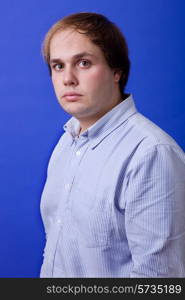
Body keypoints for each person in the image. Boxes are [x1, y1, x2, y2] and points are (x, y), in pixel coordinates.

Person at [39, 12, 185, 278]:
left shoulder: (151, 153)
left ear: (116, 71)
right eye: (58, 66)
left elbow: (157, 281)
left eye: (83, 63)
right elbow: (56, 251)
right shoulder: (66, 142)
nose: (67, 78)